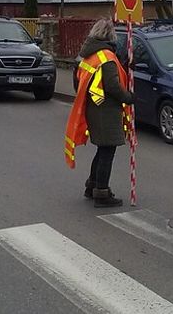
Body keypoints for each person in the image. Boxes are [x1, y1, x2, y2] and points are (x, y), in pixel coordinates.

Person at [64, 19, 134, 208]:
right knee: (107, 151)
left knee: (102, 150)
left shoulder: (89, 55)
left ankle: (92, 185)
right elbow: (112, 85)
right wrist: (128, 97)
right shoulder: (106, 57)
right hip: (106, 111)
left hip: (95, 109)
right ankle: (101, 193)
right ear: (110, 36)